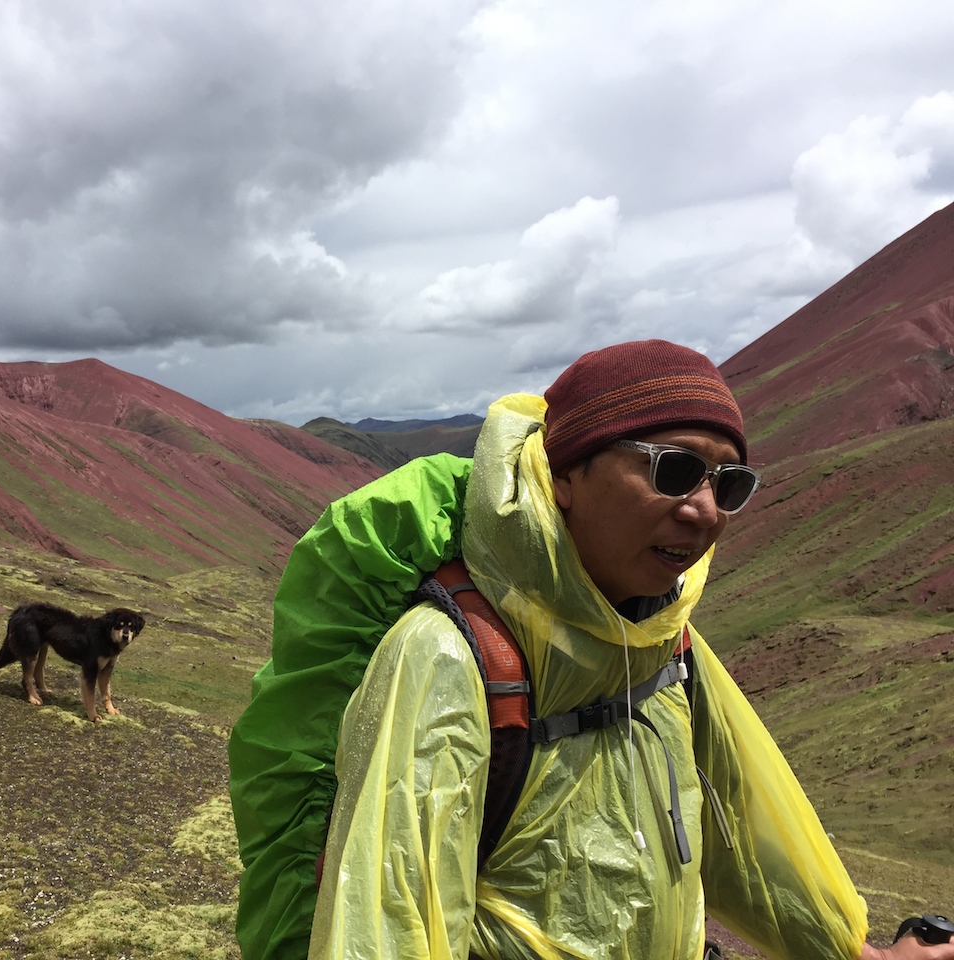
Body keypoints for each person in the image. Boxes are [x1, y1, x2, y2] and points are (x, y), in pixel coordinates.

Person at [229, 340, 954, 960]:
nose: (703, 509)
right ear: (567, 474)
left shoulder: (664, 642)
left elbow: (746, 820)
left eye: (728, 484)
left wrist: (850, 948)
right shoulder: (453, 657)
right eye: (672, 469)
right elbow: (390, 923)